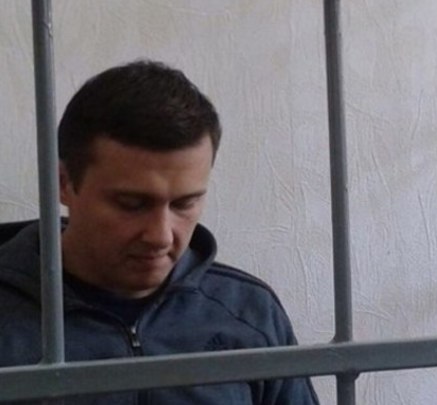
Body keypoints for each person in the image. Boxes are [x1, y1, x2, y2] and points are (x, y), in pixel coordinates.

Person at [0, 60, 319, 404]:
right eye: (131, 204)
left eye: (184, 204)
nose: (161, 237)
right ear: (64, 184)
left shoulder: (248, 311)